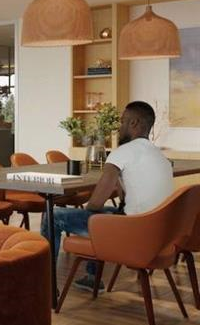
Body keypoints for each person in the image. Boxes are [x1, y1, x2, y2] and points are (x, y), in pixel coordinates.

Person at [42, 101, 172, 292]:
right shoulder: (161, 157)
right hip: (157, 234)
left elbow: (96, 202)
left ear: (134, 123)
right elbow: (127, 198)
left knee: (53, 216)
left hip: (132, 233)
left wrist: (90, 214)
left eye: (122, 121)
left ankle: (44, 284)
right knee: (107, 213)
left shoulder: (123, 152)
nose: (119, 127)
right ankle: (92, 278)